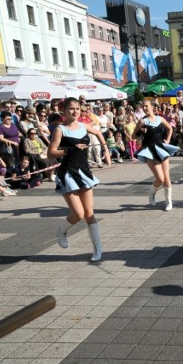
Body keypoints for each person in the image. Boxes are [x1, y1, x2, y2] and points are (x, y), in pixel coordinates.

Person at [48, 97, 111, 262]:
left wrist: (106, 150)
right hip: (68, 174)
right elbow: (51, 153)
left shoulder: (84, 126)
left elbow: (98, 132)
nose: (75, 111)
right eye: (71, 109)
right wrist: (69, 149)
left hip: (84, 172)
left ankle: (98, 249)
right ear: (64, 111)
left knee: (89, 213)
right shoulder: (60, 130)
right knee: (78, 213)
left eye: (77, 108)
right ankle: (61, 231)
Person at [133, 100, 179, 211]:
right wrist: (141, 132)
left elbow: (170, 128)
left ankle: (169, 202)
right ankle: (151, 193)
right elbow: (133, 135)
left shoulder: (160, 119)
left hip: (161, 149)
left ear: (153, 107)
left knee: (167, 178)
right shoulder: (142, 121)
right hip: (149, 150)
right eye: (143, 106)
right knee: (160, 178)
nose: (144, 108)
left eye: (146, 106)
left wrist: (167, 140)